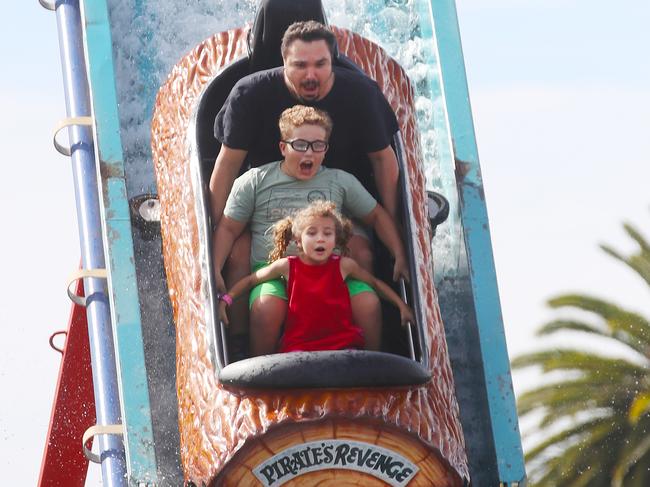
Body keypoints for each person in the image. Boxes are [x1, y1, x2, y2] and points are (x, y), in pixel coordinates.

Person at [210, 20, 402, 342]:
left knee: (363, 253)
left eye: (320, 64)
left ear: (333, 63)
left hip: (337, 206)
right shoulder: (250, 94)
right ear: (284, 62)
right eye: (300, 65)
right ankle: (239, 343)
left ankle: (366, 346)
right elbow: (227, 164)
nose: (310, 75)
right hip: (265, 211)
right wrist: (210, 231)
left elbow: (384, 161)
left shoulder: (360, 96)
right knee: (238, 254)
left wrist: (400, 237)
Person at [213, 105, 408, 356]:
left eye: (319, 146)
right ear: (284, 147)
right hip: (277, 270)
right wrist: (216, 268)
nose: (311, 153)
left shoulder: (339, 180)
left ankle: (375, 366)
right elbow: (229, 228)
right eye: (301, 145)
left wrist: (400, 254)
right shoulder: (255, 181)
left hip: (330, 270)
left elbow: (377, 216)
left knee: (368, 303)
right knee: (266, 308)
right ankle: (257, 370)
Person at [218, 201, 414, 353]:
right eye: (311, 233)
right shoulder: (287, 266)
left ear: (336, 239)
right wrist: (226, 300)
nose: (320, 238)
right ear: (298, 240)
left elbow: (375, 284)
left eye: (327, 234)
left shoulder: (344, 266)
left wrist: (402, 306)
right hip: (299, 346)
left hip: (341, 343)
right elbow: (252, 280)